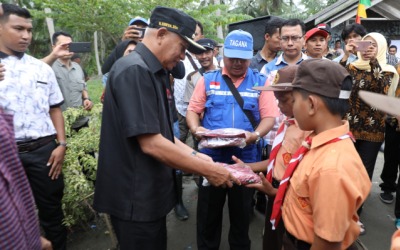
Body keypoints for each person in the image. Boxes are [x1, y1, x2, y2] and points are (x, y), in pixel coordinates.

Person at [93, 6, 238, 249]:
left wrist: (202, 159)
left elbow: (165, 134)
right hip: (134, 196)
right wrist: (208, 171)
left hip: (147, 194)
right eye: (182, 48)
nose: (183, 57)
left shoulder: (155, 70)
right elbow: (151, 143)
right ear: (161, 34)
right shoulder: (135, 70)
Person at [251, 59, 371, 249]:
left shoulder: (331, 168)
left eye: (295, 100)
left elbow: (327, 243)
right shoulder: (315, 143)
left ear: (312, 105)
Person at [186, 29, 279, 250]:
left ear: (250, 56)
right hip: (211, 161)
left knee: (241, 217)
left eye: (242, 59)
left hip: (245, 161)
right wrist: (196, 128)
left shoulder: (260, 82)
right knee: (208, 216)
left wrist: (255, 135)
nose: (237, 63)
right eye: (232, 58)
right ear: (223, 54)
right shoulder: (208, 81)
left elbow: (269, 117)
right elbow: (193, 110)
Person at [0, 4, 67, 249]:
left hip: (44, 153)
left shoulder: (41, 68)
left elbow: (55, 108)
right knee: (11, 218)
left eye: (29, 29)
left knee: (53, 214)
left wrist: (61, 144)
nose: (26, 35)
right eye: (18, 28)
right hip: (6, 156)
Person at [240, 65, 310, 250]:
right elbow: (276, 162)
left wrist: (276, 193)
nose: (278, 105)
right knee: (272, 238)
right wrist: (247, 167)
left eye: (283, 99)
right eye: (276, 99)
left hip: (290, 197)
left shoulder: (307, 132)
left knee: (286, 240)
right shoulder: (288, 123)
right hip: (275, 190)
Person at [341, 32, 399, 234]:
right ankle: (342, 211)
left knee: (363, 173)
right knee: (344, 170)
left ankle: (355, 214)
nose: (368, 48)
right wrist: (345, 56)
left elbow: (381, 89)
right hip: (348, 127)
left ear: (382, 47)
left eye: (374, 45)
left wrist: (374, 61)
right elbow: (337, 85)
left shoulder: (388, 70)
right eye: (366, 44)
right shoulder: (352, 66)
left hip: (373, 130)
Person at [51, 31, 93, 129]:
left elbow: (83, 86)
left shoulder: (77, 67)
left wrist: (86, 99)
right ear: (54, 47)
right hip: (61, 126)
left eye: (69, 45)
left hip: (81, 122)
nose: (67, 48)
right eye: (63, 45)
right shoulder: (49, 68)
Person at [183, 38, 218, 108]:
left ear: (213, 53)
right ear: (195, 55)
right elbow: (191, 106)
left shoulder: (223, 74)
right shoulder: (192, 77)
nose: (204, 56)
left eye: (207, 52)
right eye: (200, 53)